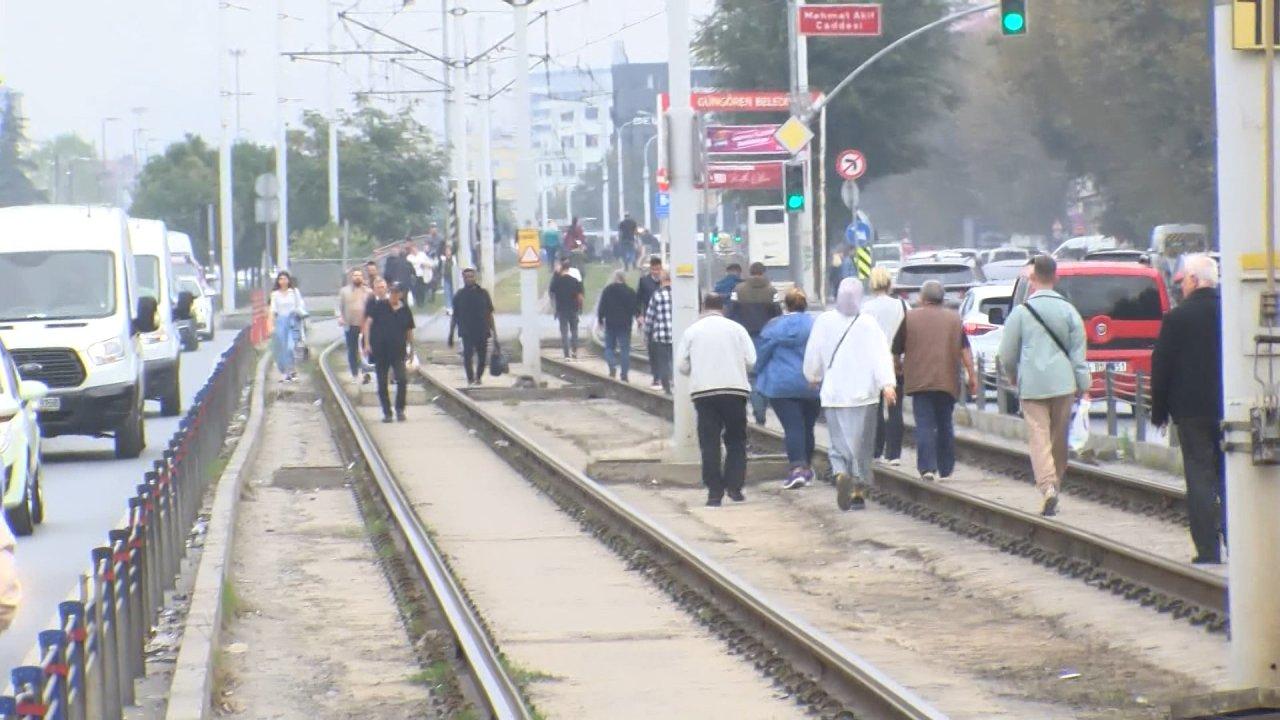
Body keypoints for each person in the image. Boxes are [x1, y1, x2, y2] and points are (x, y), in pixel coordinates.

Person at [998, 255, 1090, 517]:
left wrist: (1012, 375)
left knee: (1038, 437)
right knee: (1058, 438)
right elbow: (1078, 353)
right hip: (1063, 383)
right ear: (1056, 278)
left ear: (1032, 279)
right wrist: (1083, 383)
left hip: (1033, 384)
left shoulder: (1021, 312)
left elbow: (1006, 352)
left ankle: (1047, 486)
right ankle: (1056, 483)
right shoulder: (1069, 311)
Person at [1151, 253, 1225, 564]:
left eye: (1183, 281)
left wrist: (1159, 410)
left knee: (1199, 476)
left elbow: (1162, 365)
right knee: (1230, 474)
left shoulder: (1177, 318)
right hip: (1229, 408)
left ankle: (1207, 549)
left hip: (1191, 411)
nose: (1181, 287)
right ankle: (1240, 540)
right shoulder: (1230, 313)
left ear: (1194, 280)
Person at [804, 278, 896, 511]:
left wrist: (813, 375)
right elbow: (881, 356)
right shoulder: (868, 324)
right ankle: (857, 490)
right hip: (865, 395)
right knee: (862, 445)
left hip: (834, 394)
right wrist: (887, 384)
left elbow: (813, 353)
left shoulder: (823, 321)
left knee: (838, 442)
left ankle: (841, 472)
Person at [892, 280, 978, 482]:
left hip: (920, 381)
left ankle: (927, 468)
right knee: (945, 423)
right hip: (947, 380)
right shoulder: (954, 319)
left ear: (922, 298)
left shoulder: (910, 317)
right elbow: (964, 349)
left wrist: (897, 365)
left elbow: (896, 348)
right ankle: (946, 467)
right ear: (942, 299)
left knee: (924, 424)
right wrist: (972, 375)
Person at [677, 294, 757, 506]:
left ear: (703, 307)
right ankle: (735, 487)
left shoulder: (692, 331)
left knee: (709, 442)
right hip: (735, 391)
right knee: (736, 440)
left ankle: (714, 492)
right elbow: (751, 360)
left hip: (704, 393)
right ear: (723, 307)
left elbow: (682, 366)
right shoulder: (737, 329)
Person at [755, 288, 820, 489]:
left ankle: (797, 468)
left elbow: (762, 354)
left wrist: (756, 371)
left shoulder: (773, 327)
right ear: (805, 304)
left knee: (793, 427)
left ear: (785, 305)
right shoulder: (816, 325)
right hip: (812, 384)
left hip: (781, 385)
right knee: (807, 426)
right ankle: (807, 468)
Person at [861, 267, 907, 465]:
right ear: (889, 283)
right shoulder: (901, 305)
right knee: (895, 409)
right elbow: (908, 331)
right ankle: (894, 454)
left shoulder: (865, 308)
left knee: (875, 408)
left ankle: (876, 450)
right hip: (895, 363)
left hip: (871, 364)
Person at [727, 262, 781, 426]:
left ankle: (751, 412)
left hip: (743, 338)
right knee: (762, 374)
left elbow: (731, 313)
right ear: (763, 273)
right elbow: (778, 315)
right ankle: (761, 409)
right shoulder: (772, 291)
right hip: (765, 338)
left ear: (750, 273)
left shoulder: (738, 290)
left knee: (748, 376)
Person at [362, 281, 416, 423]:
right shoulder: (379, 306)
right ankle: (387, 412)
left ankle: (399, 409)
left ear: (401, 295)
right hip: (380, 350)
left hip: (398, 351)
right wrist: (367, 343)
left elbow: (409, 330)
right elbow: (367, 324)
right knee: (381, 382)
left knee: (402, 379)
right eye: (391, 292)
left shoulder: (405, 310)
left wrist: (412, 349)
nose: (393, 295)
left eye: (396, 293)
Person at [448, 267, 496, 385]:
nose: (469, 279)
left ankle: (478, 377)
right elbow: (455, 316)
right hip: (467, 331)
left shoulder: (483, 294)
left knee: (482, 357)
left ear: (475, 277)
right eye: (467, 277)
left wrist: (494, 333)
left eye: (471, 276)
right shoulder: (459, 295)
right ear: (463, 279)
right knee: (467, 355)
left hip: (482, 330)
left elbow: (489, 314)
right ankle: (470, 378)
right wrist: (451, 334)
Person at [597, 269, 638, 381]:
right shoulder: (630, 291)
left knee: (609, 347)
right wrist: (638, 318)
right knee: (625, 350)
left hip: (610, 323)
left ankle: (612, 365)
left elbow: (602, 306)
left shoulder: (607, 290)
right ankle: (624, 375)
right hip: (625, 325)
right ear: (624, 278)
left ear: (615, 278)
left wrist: (600, 320)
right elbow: (634, 308)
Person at [336, 268, 373, 382]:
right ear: (351, 278)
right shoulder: (344, 291)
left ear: (363, 277)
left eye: (359, 275)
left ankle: (366, 373)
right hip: (350, 324)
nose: (357, 277)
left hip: (364, 326)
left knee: (365, 349)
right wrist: (340, 317)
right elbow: (339, 306)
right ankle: (354, 373)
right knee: (352, 349)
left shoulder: (368, 292)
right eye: (355, 275)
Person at [268, 271, 306, 382]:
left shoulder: (294, 292)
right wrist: (270, 325)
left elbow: (300, 305)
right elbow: (272, 310)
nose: (283, 281)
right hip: (280, 321)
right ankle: (285, 371)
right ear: (278, 281)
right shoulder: (275, 294)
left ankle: (291, 369)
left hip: (293, 321)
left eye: (285, 279)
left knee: (291, 346)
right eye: (281, 279)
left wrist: (298, 315)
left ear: (288, 280)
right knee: (281, 348)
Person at [644, 271, 675, 394]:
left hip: (661, 335)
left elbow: (650, 317)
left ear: (662, 281)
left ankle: (667, 388)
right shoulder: (678, 294)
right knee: (674, 360)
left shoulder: (657, 295)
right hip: (677, 335)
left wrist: (646, 333)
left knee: (663, 362)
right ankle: (676, 383)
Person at [636, 257, 665, 387]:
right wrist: (639, 315)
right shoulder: (644, 281)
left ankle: (664, 377)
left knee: (664, 350)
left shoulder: (666, 281)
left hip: (665, 320)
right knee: (653, 350)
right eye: (653, 269)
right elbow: (638, 300)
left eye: (658, 269)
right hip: (650, 319)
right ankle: (656, 377)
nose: (656, 272)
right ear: (650, 269)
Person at [549, 260, 584, 359]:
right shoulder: (575, 281)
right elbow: (580, 296)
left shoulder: (557, 282)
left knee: (564, 332)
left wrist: (556, 274)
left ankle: (566, 354)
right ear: (569, 268)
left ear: (561, 269)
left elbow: (551, 291)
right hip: (573, 309)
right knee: (574, 330)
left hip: (561, 310)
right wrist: (580, 307)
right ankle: (574, 351)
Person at [407, 243, 433, 308]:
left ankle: (422, 302)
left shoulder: (422, 254)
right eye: (412, 250)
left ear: (417, 248)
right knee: (417, 289)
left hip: (423, 274)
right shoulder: (409, 257)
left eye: (415, 249)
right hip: (415, 275)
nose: (414, 251)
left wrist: (425, 264)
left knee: (422, 289)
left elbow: (428, 262)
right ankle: (419, 302)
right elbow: (412, 265)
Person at [440, 244, 456, 315]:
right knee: (447, 292)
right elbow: (441, 268)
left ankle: (453, 306)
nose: (448, 252)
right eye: (446, 251)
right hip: (446, 277)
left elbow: (455, 266)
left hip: (453, 276)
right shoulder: (443, 259)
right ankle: (448, 308)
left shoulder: (453, 258)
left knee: (453, 291)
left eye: (449, 250)